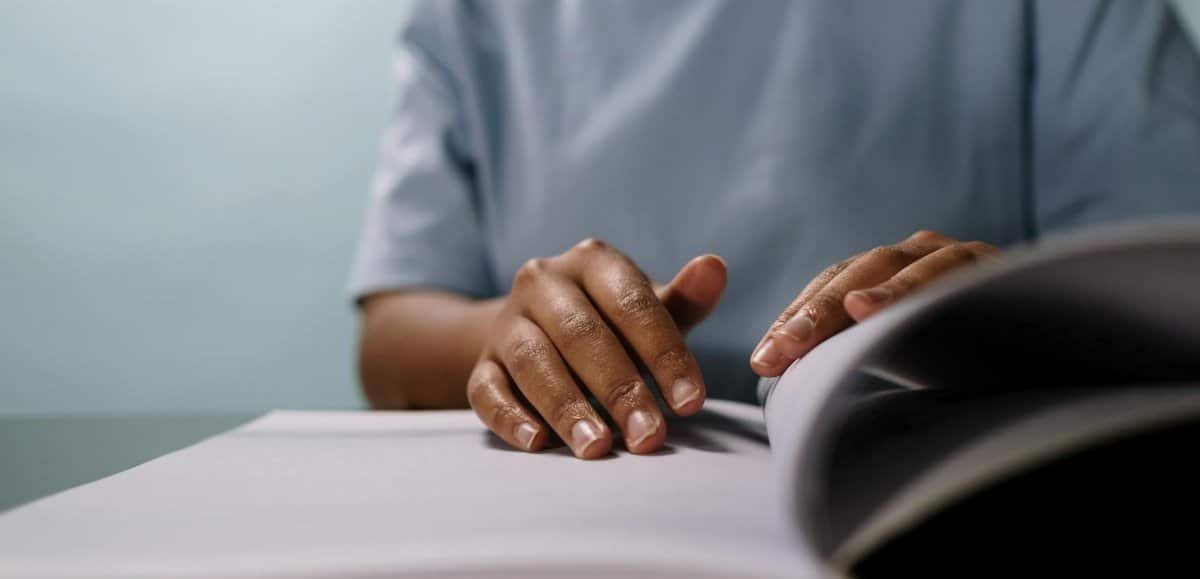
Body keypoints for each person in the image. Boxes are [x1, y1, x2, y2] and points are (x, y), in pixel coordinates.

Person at [349, 0, 1200, 459]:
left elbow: (1175, 285)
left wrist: (1019, 307)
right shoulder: (474, 16)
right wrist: (512, 336)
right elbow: (390, 337)